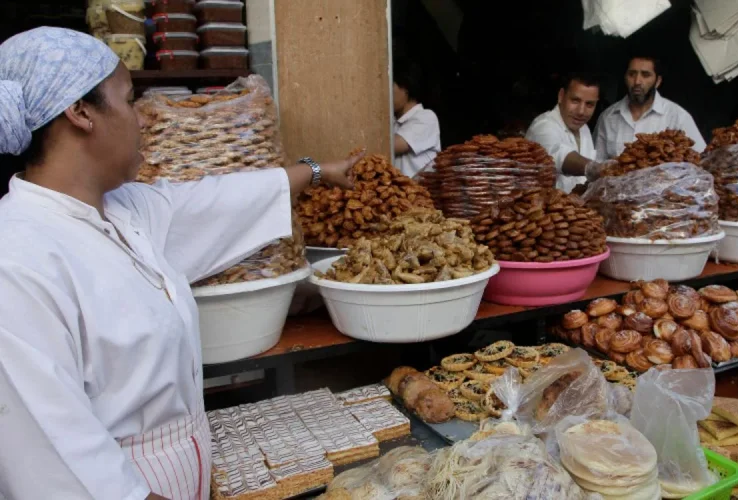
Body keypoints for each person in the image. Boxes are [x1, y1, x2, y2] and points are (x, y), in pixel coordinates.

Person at [0, 27, 358, 500]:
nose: (143, 119)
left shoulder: (128, 211)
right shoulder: (19, 260)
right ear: (80, 112)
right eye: (129, 101)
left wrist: (317, 172)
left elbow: (216, 202)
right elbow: (54, 456)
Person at [594, 56, 706, 161]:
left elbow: (700, 159)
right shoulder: (608, 117)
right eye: (632, 74)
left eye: (645, 75)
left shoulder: (677, 116)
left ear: (657, 81)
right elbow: (596, 164)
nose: (637, 81)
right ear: (625, 78)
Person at [526, 73, 600, 193]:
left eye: (589, 104)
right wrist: (592, 167)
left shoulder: (584, 129)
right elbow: (556, 154)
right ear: (561, 96)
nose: (581, 111)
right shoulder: (543, 126)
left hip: (578, 209)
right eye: (575, 100)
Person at [392, 58, 441, 177]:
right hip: (396, 195)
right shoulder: (392, 123)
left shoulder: (426, 117)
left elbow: (394, 145)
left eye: (390, 86)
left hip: (420, 194)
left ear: (405, 88)